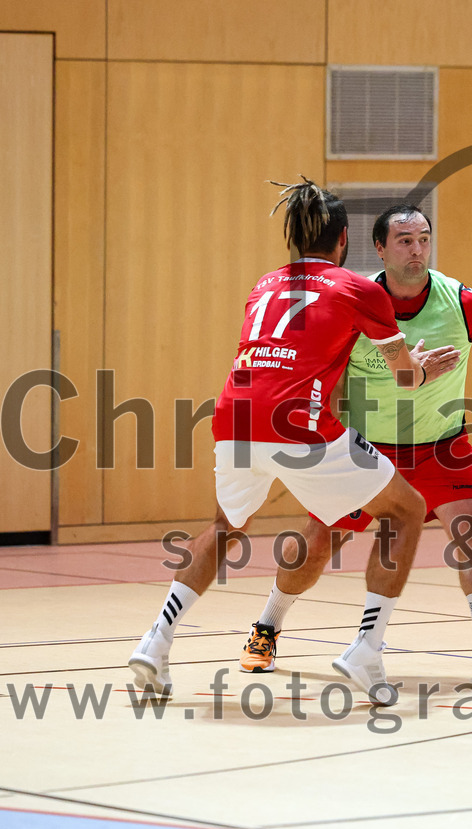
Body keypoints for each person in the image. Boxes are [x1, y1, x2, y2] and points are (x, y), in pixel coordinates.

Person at [129, 180, 449, 706]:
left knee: (224, 526)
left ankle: (155, 640)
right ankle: (366, 648)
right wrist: (422, 367)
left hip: (234, 416)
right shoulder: (360, 289)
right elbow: (406, 378)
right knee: (407, 511)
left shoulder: (264, 283)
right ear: (345, 240)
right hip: (300, 425)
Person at [237, 203, 472, 688]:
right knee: (317, 545)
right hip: (368, 447)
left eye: (423, 239)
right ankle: (267, 626)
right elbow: (327, 376)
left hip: (442, 444)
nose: (416, 249)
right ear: (379, 248)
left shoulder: (462, 301)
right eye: (404, 240)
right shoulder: (353, 299)